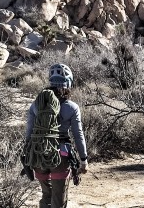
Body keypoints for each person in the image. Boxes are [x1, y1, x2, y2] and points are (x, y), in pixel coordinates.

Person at [25, 63, 89, 208]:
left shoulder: (36, 105)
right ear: (68, 83)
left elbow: (28, 132)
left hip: (39, 154)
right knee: (58, 200)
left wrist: (27, 155)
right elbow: (78, 134)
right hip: (61, 155)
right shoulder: (71, 107)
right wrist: (84, 159)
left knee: (46, 196)